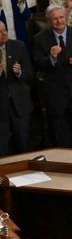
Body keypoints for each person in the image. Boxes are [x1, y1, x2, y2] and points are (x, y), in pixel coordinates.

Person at [33, 4, 72, 148]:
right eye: (54, 19)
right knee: (59, 130)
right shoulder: (40, 39)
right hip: (55, 92)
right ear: (48, 21)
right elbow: (37, 63)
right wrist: (51, 58)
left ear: (66, 17)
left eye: (61, 17)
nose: (59, 21)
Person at [0, 21, 32, 154]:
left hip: (19, 104)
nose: (4, 33)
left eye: (5, 30)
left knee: (22, 144)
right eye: (0, 32)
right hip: (1, 108)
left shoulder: (18, 46)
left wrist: (19, 73)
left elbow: (30, 73)